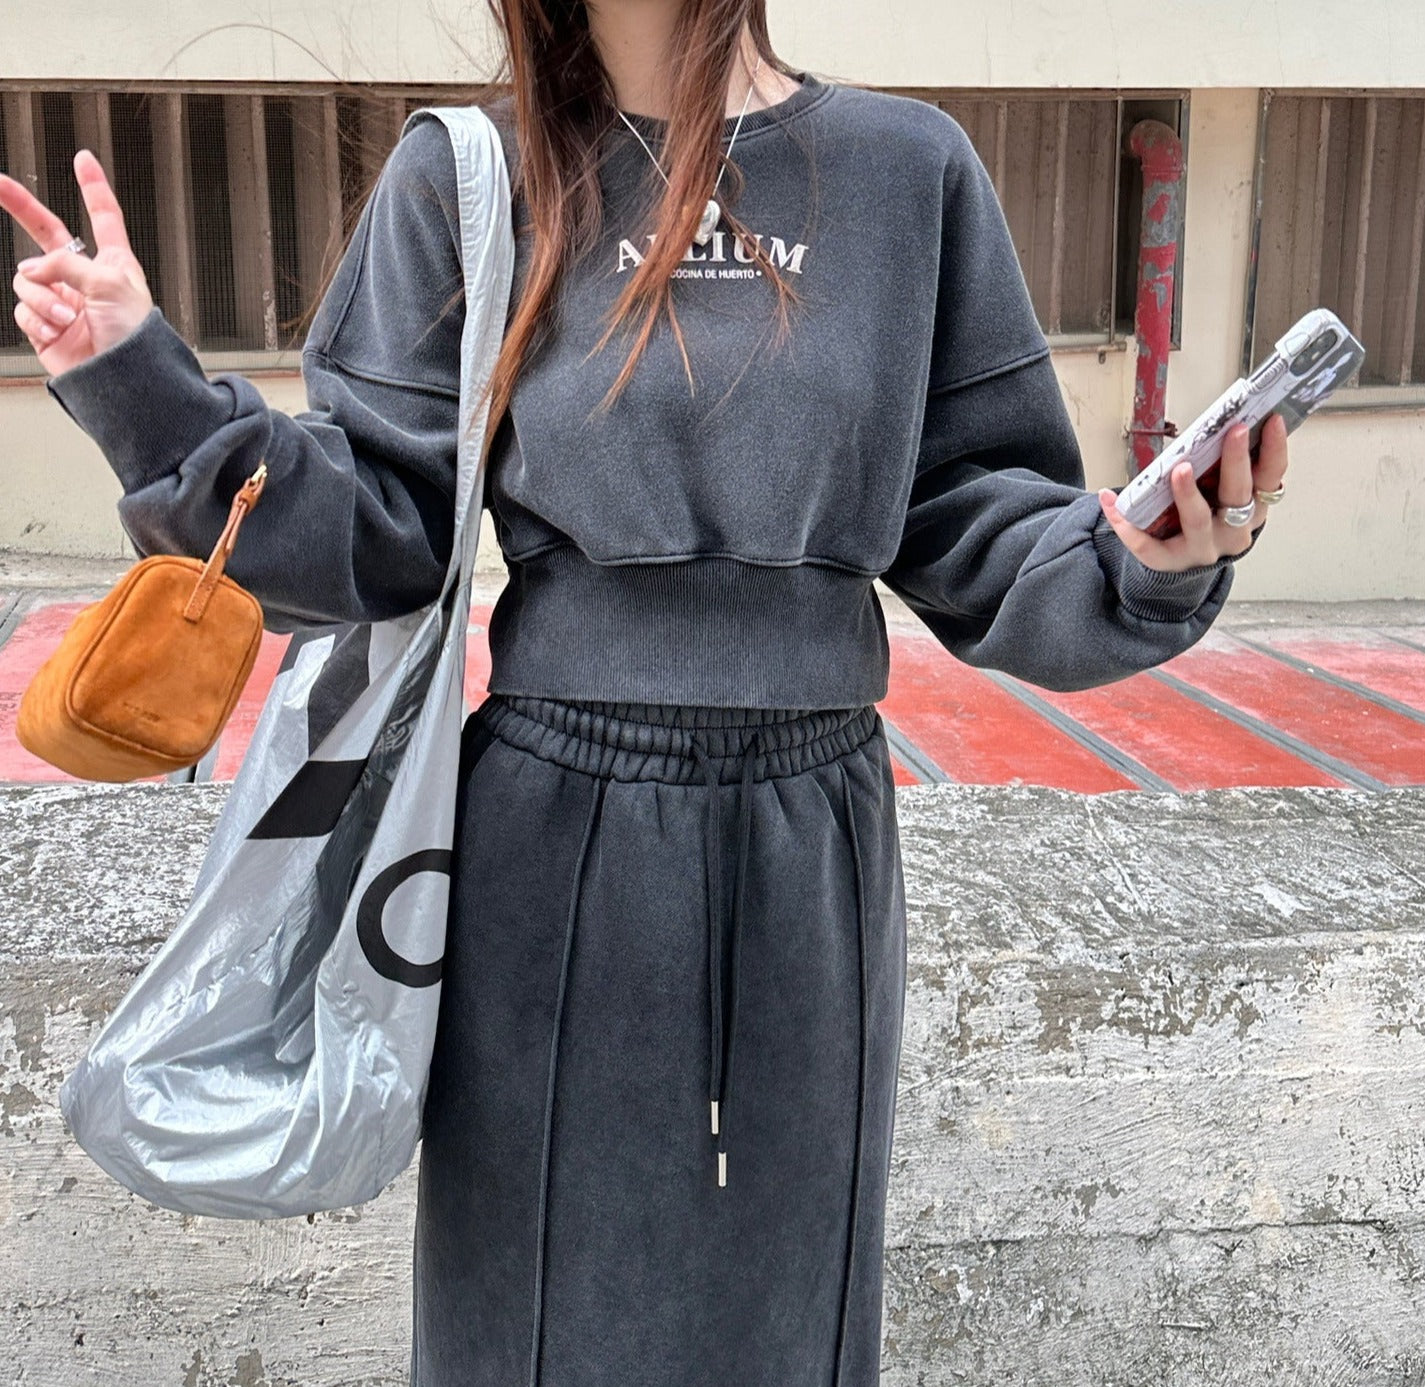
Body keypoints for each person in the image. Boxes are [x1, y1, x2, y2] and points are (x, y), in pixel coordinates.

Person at [1, 2, 1287, 1382]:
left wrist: (1146, 556)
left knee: (791, 1310)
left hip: (818, 839)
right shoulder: (468, 175)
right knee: (531, 1314)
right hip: (550, 833)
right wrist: (145, 388)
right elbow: (379, 527)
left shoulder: (908, 168)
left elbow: (981, 519)